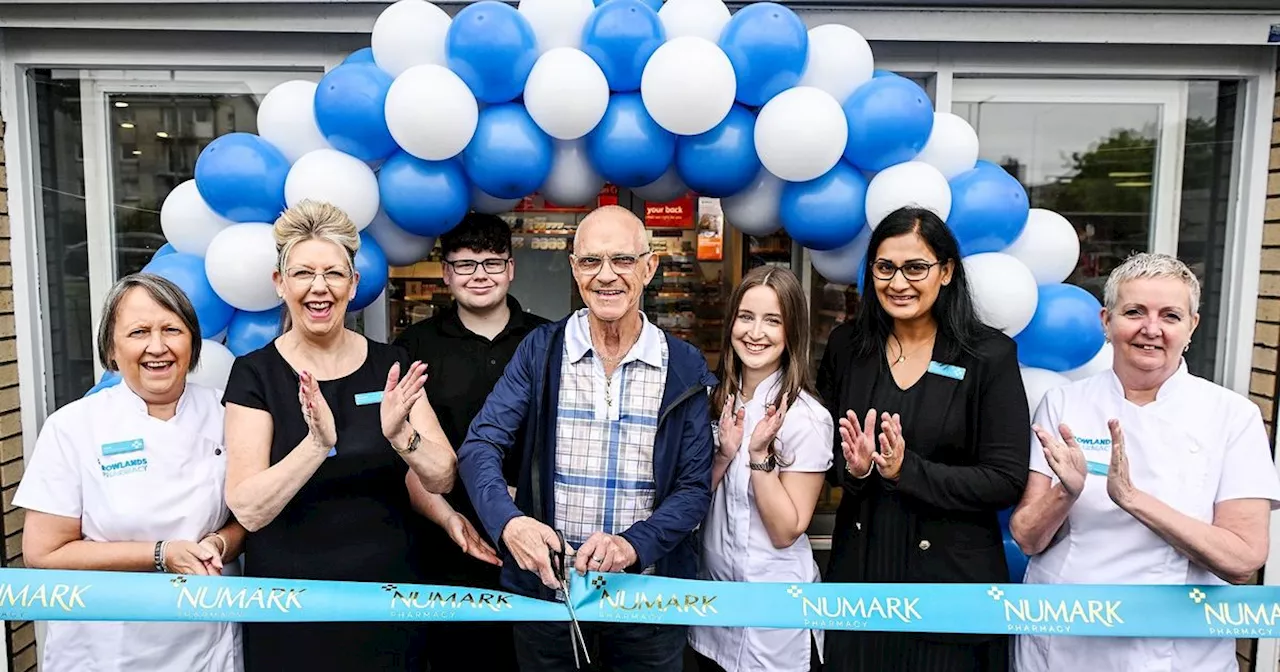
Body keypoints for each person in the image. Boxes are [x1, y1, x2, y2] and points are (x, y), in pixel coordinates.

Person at [456, 204, 716, 672]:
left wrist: (632, 545)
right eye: (592, 261)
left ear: (649, 267)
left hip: (647, 603)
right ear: (575, 270)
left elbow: (694, 488)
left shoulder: (683, 365)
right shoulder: (541, 350)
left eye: (623, 260)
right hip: (551, 599)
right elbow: (480, 446)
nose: (607, 276)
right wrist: (509, 523)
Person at [1009, 252, 1280, 671]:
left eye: (1170, 316)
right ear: (1106, 321)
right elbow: (1027, 538)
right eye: (1134, 312)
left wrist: (1133, 499)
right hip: (1065, 640)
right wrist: (1067, 493)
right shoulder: (1064, 402)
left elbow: (1243, 560)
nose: (1150, 329)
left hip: (1176, 649)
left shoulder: (1232, 415)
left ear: (1192, 326)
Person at [222, 200, 456, 672]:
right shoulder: (255, 375)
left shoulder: (393, 364)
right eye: (303, 273)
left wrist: (401, 436)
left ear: (353, 283)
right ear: (280, 283)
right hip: (292, 608)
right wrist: (315, 446)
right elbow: (246, 506)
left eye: (333, 273)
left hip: (389, 600)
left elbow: (444, 476)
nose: (319, 287)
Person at [820, 207, 1029, 672]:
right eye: (885, 267)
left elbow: (1004, 480)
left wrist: (903, 470)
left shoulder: (988, 356)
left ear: (947, 271)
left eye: (916, 267)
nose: (899, 283)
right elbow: (832, 456)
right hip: (861, 581)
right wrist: (852, 470)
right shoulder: (848, 347)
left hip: (950, 591)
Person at [17, 273, 246, 672]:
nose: (157, 347)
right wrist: (160, 555)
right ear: (111, 348)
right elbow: (43, 552)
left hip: (207, 638)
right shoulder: (73, 426)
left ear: (193, 342)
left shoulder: (229, 414)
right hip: (107, 647)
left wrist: (219, 543)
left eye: (172, 330)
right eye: (138, 332)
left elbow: (248, 515)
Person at [393, 212, 549, 672]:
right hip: (446, 535)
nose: (479, 275)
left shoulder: (547, 339)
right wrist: (446, 517)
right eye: (465, 264)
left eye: (492, 262)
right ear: (446, 273)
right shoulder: (415, 345)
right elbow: (402, 448)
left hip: (535, 533)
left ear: (511, 268)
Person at [689, 266, 833, 672]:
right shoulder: (713, 400)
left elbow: (787, 529)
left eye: (773, 321)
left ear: (792, 333)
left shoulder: (806, 417)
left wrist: (758, 454)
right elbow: (692, 504)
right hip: (714, 608)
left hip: (775, 616)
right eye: (746, 317)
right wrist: (722, 455)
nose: (755, 332)